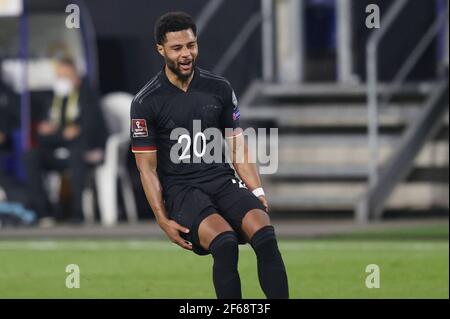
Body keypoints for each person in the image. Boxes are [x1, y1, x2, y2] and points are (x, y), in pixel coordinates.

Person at [131, 12, 289, 299]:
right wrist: (161, 219)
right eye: (177, 48)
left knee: (266, 236)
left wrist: (257, 189)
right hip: (183, 190)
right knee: (225, 243)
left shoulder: (219, 88)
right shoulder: (146, 102)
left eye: (191, 45)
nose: (186, 54)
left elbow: (237, 146)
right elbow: (147, 169)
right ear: (160, 50)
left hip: (222, 180)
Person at [25, 57, 107, 225]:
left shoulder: (87, 94)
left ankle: (78, 213)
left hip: (85, 152)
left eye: (66, 76)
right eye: (59, 76)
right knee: (30, 156)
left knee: (77, 153)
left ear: (76, 76)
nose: (62, 80)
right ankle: (44, 212)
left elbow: (87, 129)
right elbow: (45, 134)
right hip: (58, 150)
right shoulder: (53, 98)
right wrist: (55, 132)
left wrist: (60, 133)